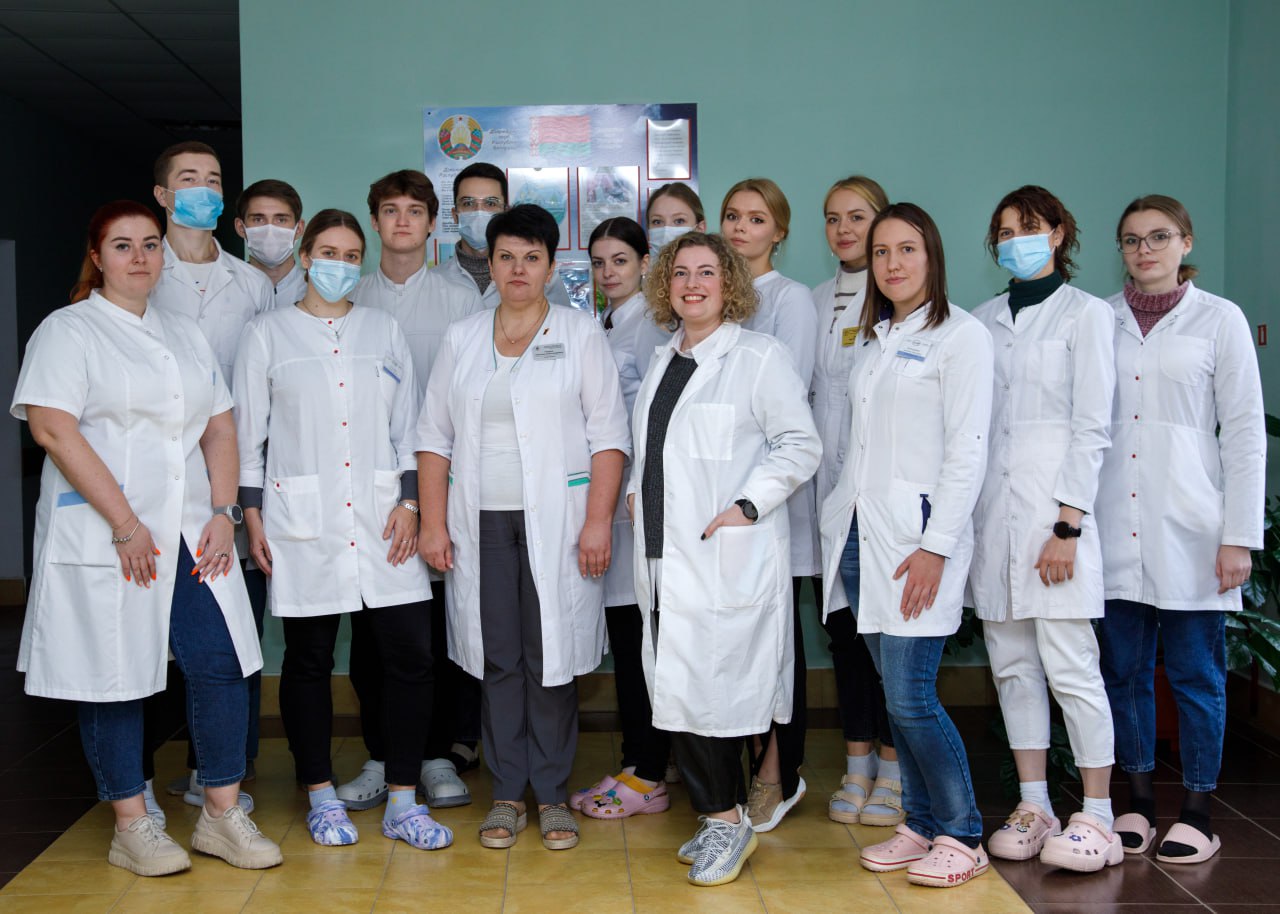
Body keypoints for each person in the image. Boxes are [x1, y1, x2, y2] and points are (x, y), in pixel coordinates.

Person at [12, 200, 281, 876]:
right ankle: (131, 824)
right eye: (123, 245)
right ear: (97, 257)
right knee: (114, 673)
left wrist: (223, 510)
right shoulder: (68, 330)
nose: (140, 257)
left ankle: (221, 813)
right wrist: (125, 524)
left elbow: (220, 425)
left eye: (151, 244)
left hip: (191, 526)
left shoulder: (182, 332)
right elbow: (52, 429)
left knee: (221, 661)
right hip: (107, 528)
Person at [233, 209, 450, 851]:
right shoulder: (266, 334)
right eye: (328, 252)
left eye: (352, 255)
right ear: (305, 256)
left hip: (387, 520)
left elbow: (409, 428)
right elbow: (247, 439)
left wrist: (410, 502)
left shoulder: (383, 329)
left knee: (410, 660)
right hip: (302, 522)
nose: (340, 264)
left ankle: (404, 801)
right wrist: (251, 516)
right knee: (308, 661)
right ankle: (321, 796)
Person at [417, 204, 629, 851]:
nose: (518, 269)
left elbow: (609, 436)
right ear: (490, 261)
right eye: (506, 257)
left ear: (551, 266)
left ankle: (554, 794)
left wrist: (598, 521)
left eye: (531, 258)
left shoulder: (579, 333)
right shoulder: (462, 337)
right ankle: (508, 793)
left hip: (560, 522)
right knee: (499, 658)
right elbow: (433, 438)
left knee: (551, 657)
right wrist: (433, 523)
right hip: (479, 521)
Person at [628, 230, 820, 886]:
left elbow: (799, 443)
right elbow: (654, 451)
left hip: (721, 555)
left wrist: (749, 504)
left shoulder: (758, 358)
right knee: (678, 692)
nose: (693, 284)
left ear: (729, 283)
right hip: (663, 555)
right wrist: (636, 495)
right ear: (665, 285)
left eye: (707, 272)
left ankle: (726, 821)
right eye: (680, 272)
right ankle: (719, 817)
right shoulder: (665, 359)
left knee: (711, 694)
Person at [819, 202, 993, 888]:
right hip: (861, 538)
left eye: (907, 249)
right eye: (882, 252)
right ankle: (920, 824)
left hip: (917, 543)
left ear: (933, 256)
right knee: (895, 696)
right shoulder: (877, 339)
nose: (892, 263)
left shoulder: (962, 336)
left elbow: (967, 451)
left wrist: (937, 545)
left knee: (914, 697)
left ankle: (963, 832)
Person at [1097, 195, 1265, 864]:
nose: (1145, 250)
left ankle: (1197, 810)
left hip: (1194, 528)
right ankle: (1137, 803)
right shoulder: (1099, 319)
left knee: (1196, 674)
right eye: (1132, 239)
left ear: (1186, 242)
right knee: (1123, 672)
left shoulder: (1219, 320)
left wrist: (1238, 535)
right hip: (1113, 522)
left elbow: (1245, 432)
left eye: (1159, 236)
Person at [970, 185, 1121, 872]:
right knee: (1012, 668)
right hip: (994, 522)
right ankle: (1034, 805)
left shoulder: (1087, 315)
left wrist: (1068, 524)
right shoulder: (981, 320)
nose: (1015, 240)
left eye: (1028, 227)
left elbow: (1093, 428)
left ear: (1058, 233)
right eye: (1004, 232)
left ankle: (1098, 815)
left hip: (1054, 520)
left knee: (1072, 667)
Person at [343, 169, 485, 813]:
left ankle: (434, 756)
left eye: (415, 211)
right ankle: (381, 757)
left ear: (433, 223)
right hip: (369, 492)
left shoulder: (460, 299)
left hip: (447, 485)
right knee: (374, 635)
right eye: (390, 210)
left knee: (440, 630)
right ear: (375, 221)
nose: (402, 221)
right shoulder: (351, 296)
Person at [148, 141, 272, 814]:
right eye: (188, 179)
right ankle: (137, 776)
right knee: (148, 631)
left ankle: (222, 771)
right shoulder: (141, 272)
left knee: (233, 628)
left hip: (229, 476)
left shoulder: (251, 283)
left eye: (214, 180)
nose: (203, 189)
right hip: (154, 477)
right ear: (163, 195)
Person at [719, 177, 819, 831]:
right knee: (736, 641)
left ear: (779, 232)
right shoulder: (713, 298)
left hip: (769, 498)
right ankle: (737, 767)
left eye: (756, 219)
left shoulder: (790, 301)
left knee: (777, 644)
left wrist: (752, 492)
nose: (741, 228)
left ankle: (777, 773)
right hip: (719, 502)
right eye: (732, 216)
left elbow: (788, 404)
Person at [809, 175, 903, 828]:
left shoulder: (900, 298)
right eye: (832, 218)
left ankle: (895, 771)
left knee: (887, 640)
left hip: (883, 500)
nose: (844, 229)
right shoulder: (816, 300)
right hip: (829, 495)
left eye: (857, 216)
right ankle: (857, 762)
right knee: (843, 635)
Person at [571, 217, 672, 820]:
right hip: (609, 503)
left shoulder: (653, 325)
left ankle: (648, 771)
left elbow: (653, 422)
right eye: (599, 262)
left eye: (620, 261)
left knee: (642, 641)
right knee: (629, 639)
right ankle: (640, 762)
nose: (608, 273)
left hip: (638, 504)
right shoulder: (603, 323)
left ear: (644, 263)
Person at [435, 161, 507, 306]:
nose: (479, 212)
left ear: (505, 213)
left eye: (490, 203)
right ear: (455, 215)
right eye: (468, 203)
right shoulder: (434, 280)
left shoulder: (533, 279)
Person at [235, 178, 307, 310]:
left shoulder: (315, 291)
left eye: (281, 220)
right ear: (241, 228)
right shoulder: (224, 288)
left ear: (299, 229)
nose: (270, 231)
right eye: (258, 219)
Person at [645, 182, 706, 257]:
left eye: (679, 221)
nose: (666, 232)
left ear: (700, 228)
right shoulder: (640, 264)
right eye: (657, 222)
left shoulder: (715, 263)